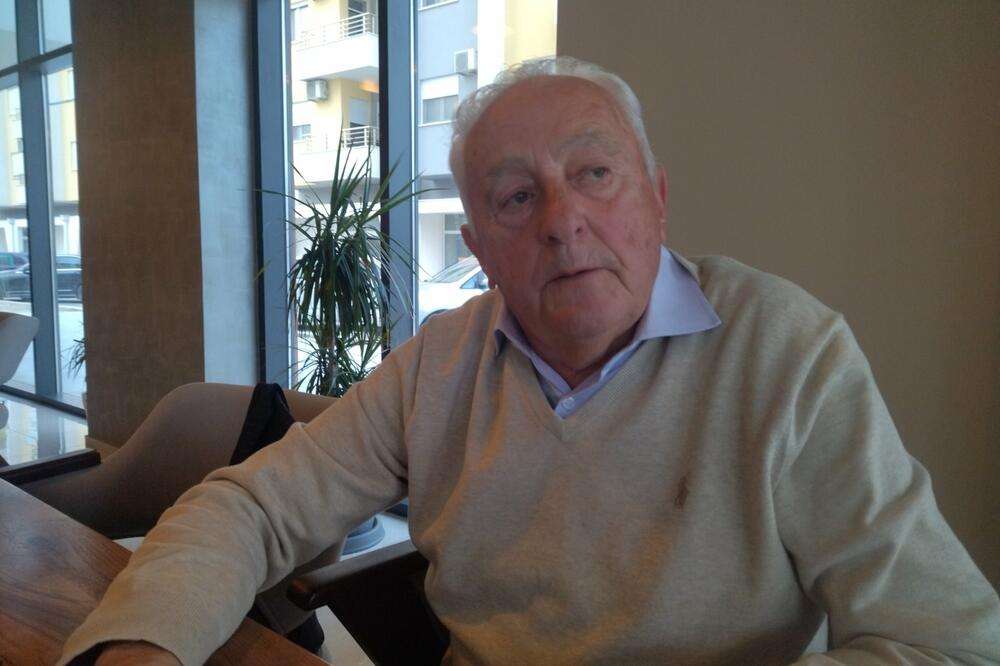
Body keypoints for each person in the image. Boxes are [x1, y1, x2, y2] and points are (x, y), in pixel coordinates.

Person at [64, 57, 999, 666]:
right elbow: (253, 506)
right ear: (479, 249)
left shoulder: (788, 352)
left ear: (657, 199)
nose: (562, 220)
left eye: (594, 173)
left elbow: (945, 641)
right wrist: (147, 642)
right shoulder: (441, 364)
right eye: (516, 197)